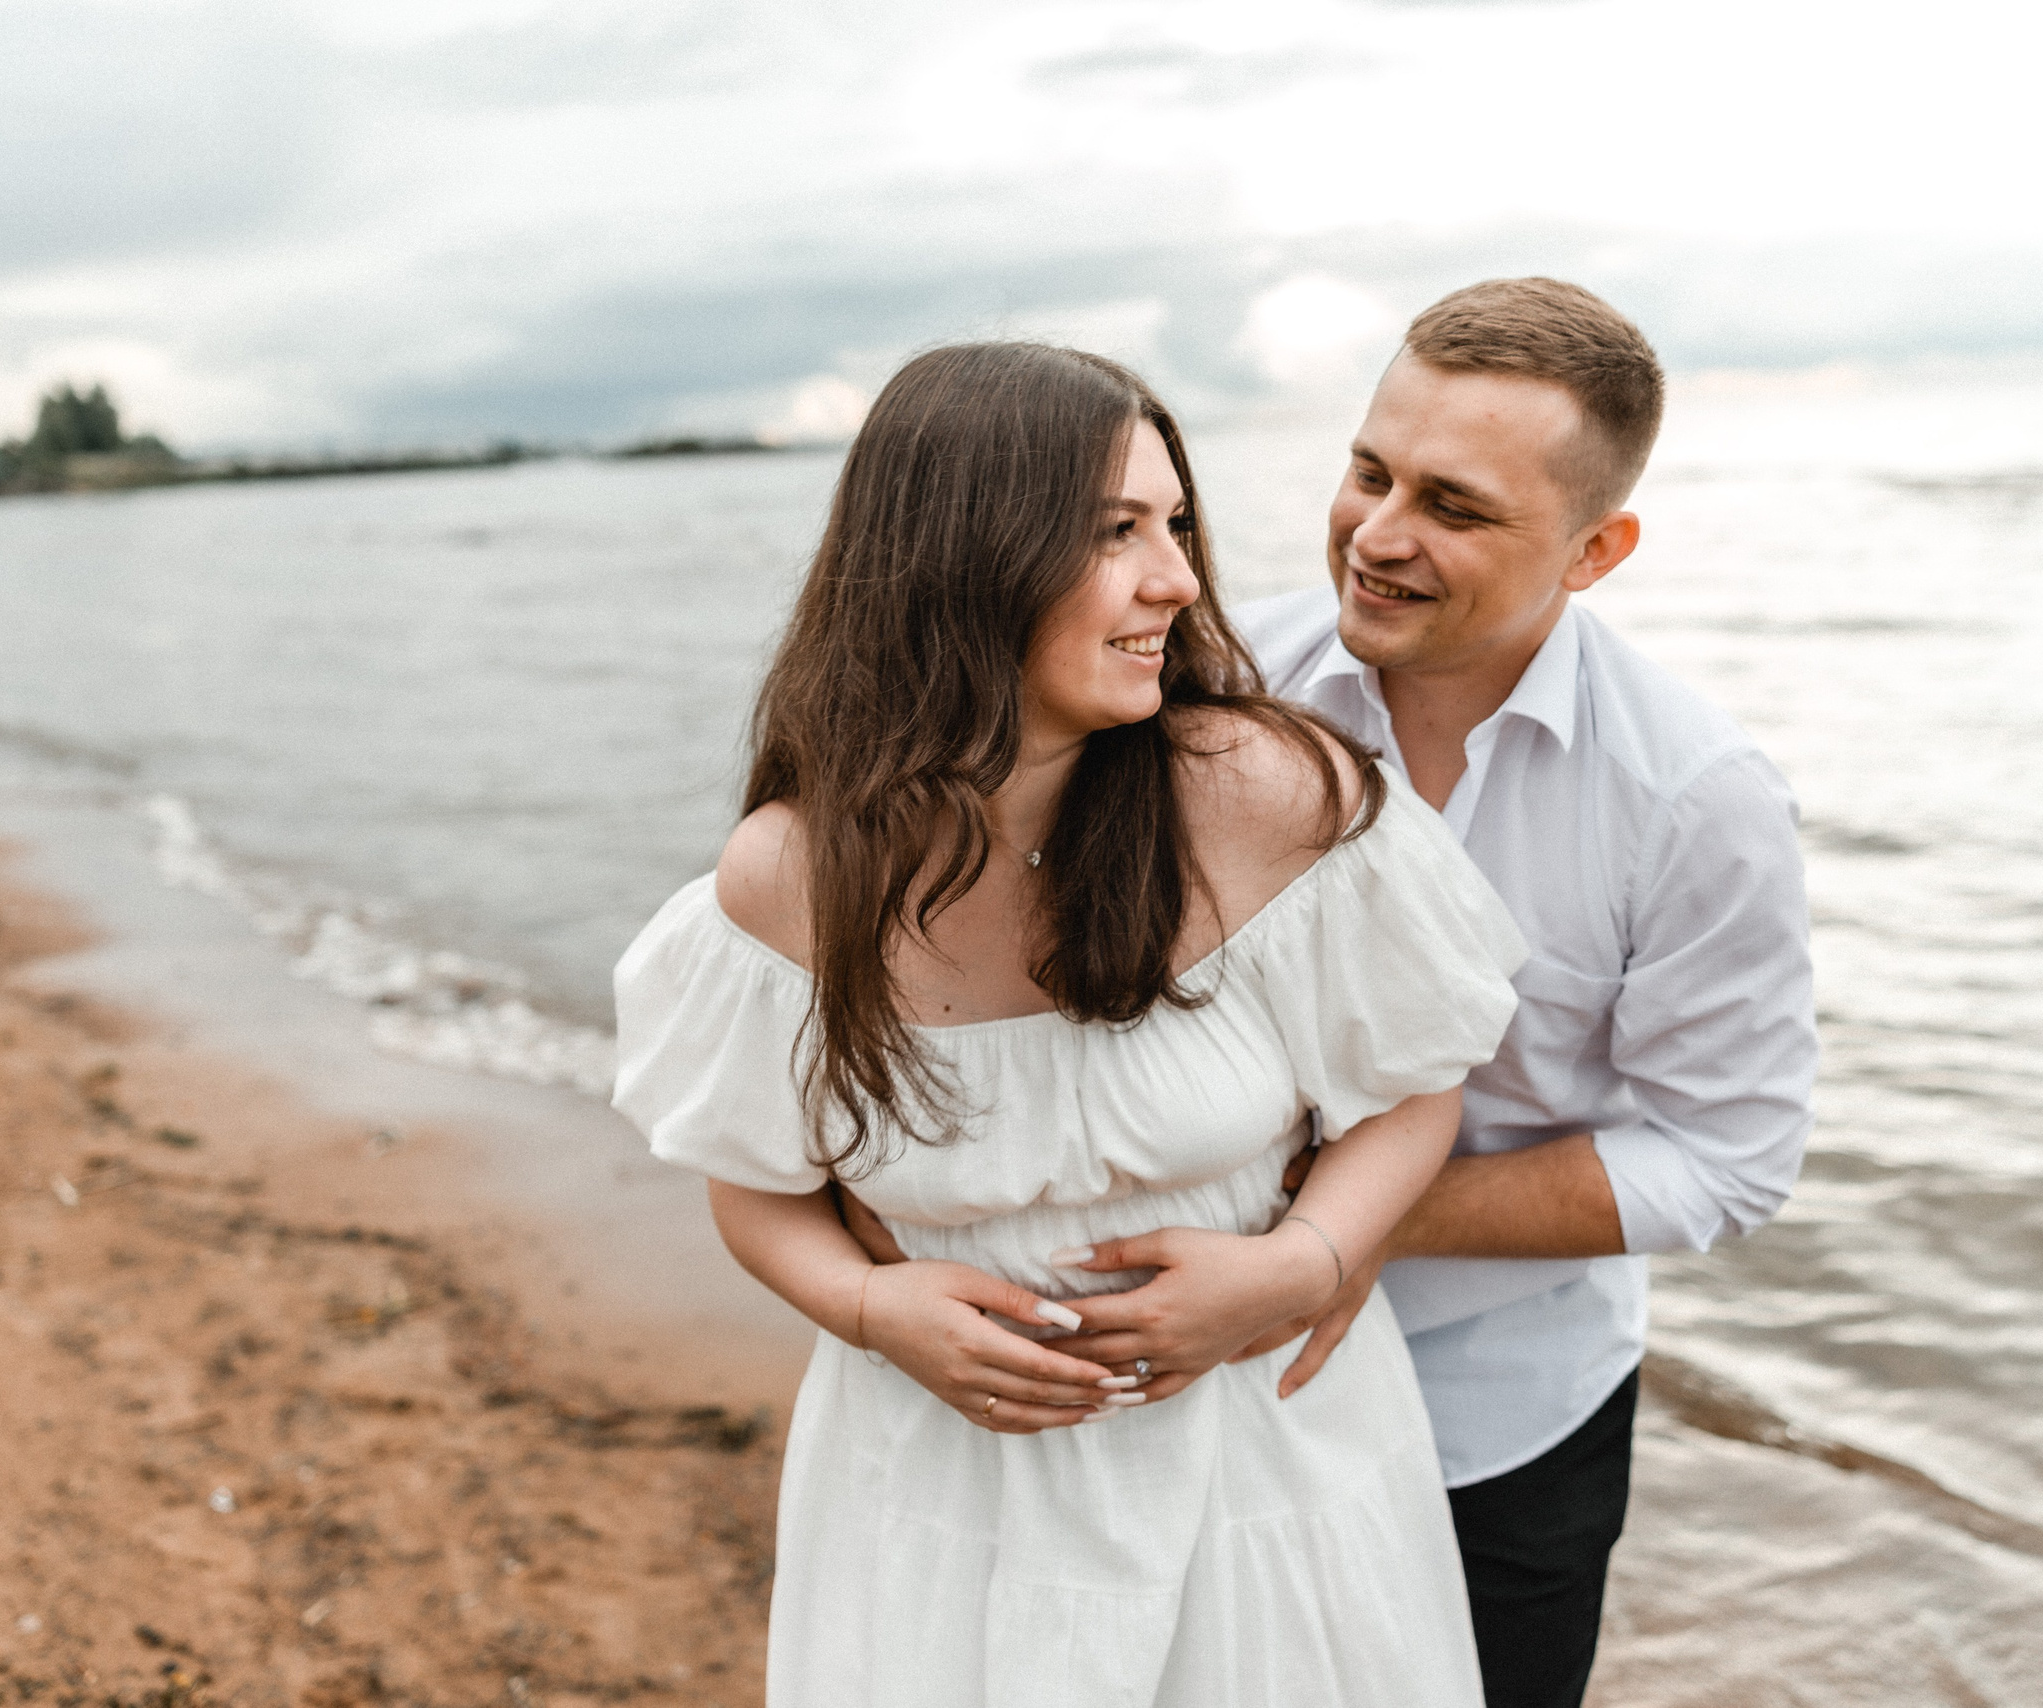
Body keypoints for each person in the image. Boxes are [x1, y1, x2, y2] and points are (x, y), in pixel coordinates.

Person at [611, 341, 1529, 1706]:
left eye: (1177, 526)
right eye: (1115, 533)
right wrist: (872, 1308)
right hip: (935, 1492)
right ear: (968, 555)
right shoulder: (788, 882)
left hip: (1261, 1466)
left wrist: (1306, 1265)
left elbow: (1414, 1093)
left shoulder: (1265, 793)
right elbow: (754, 1194)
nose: (1175, 578)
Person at [1038, 279, 1820, 1708]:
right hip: (1197, 1406)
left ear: (1596, 551)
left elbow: (1729, 1157)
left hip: (1501, 1431)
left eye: (1455, 508)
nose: (1379, 536)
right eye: (1368, 471)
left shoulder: (1695, 801)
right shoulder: (1215, 689)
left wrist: (1331, 1241)